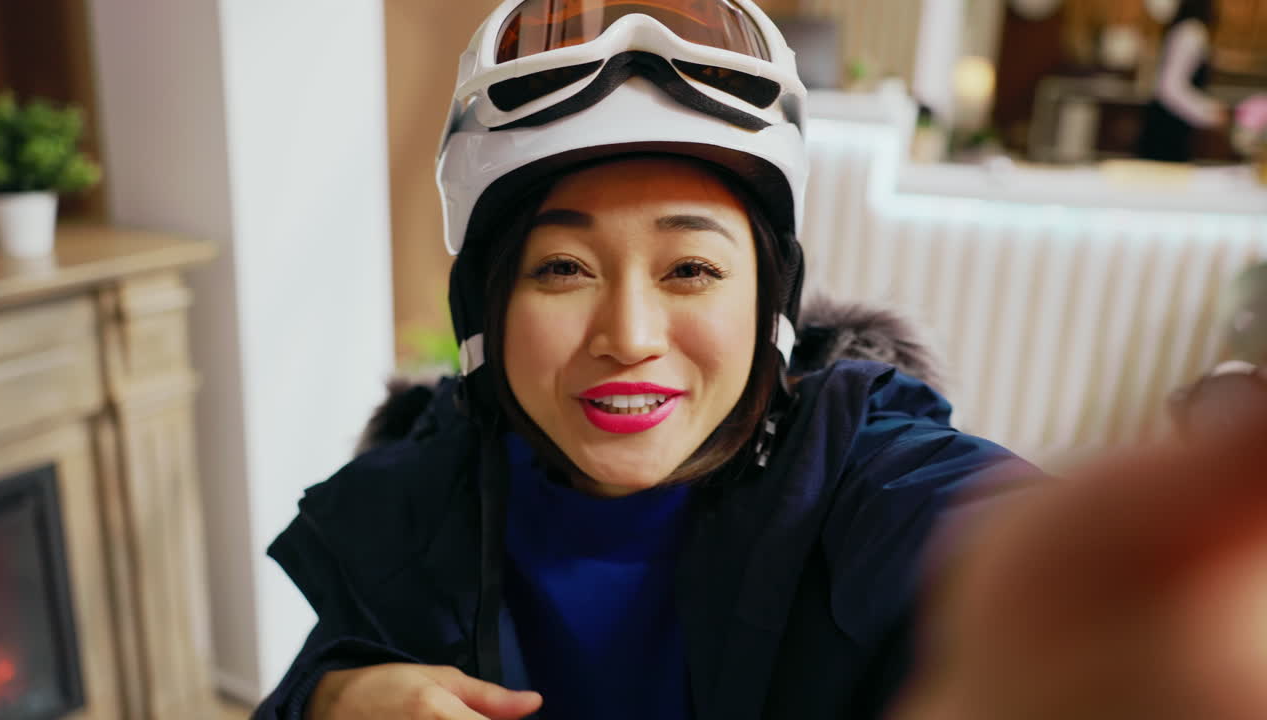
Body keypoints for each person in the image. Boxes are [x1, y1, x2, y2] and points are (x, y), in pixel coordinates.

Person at [254, 2, 1267, 719]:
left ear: (768, 307)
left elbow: (983, 536)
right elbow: (311, 678)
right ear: (485, 312)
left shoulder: (861, 473)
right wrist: (330, 698)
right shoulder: (417, 496)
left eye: (690, 268)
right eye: (561, 267)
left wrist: (1114, 611)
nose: (630, 334)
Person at [1136, 0, 1228, 162]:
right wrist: (1208, 112)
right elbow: (1169, 86)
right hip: (1169, 128)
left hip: (1167, 122)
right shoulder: (1191, 32)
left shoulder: (1185, 30)